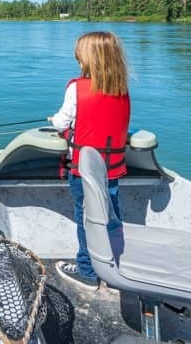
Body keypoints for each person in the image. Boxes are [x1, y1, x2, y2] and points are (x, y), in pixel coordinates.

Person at [47, 31, 130, 290]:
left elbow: (63, 120)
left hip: (84, 172)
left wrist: (53, 121)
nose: (78, 62)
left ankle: (87, 271)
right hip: (112, 171)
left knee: (86, 219)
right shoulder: (121, 89)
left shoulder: (77, 88)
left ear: (89, 60)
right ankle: (114, 263)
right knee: (110, 215)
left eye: (80, 58)